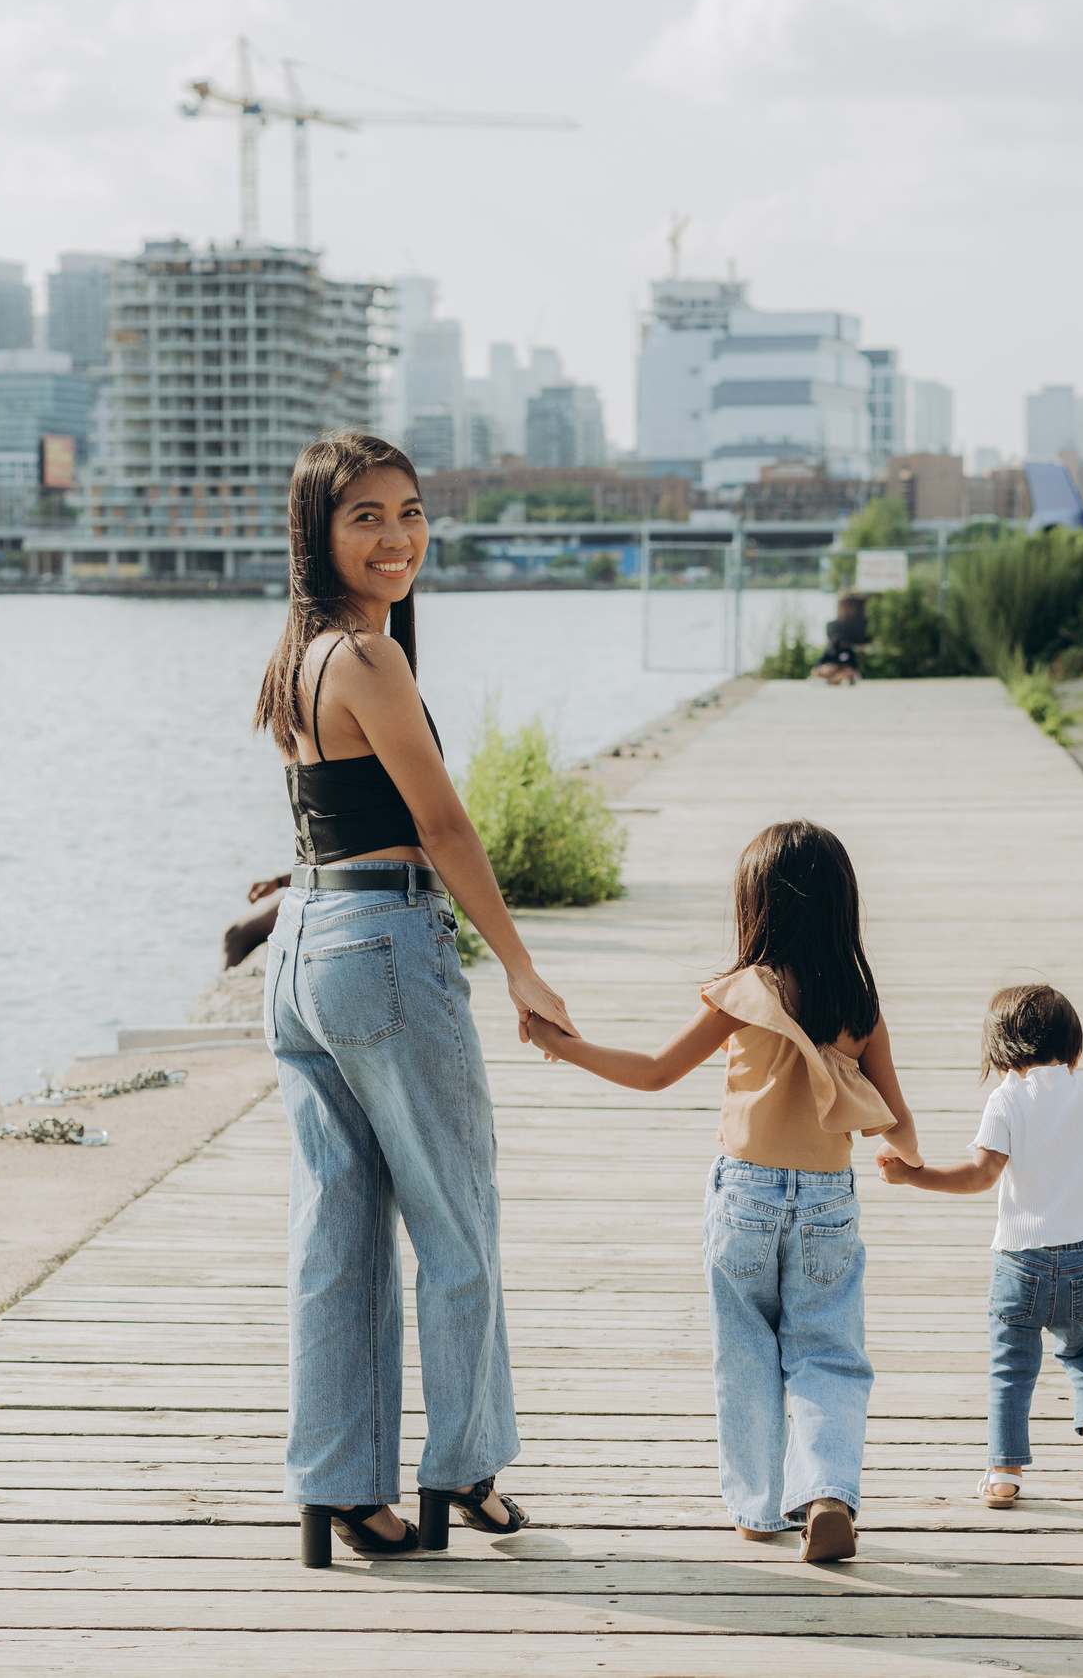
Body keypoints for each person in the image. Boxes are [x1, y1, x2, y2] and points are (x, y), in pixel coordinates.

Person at [254, 431, 579, 1565]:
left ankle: (337, 1488)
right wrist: (522, 966)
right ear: (318, 534)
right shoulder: (370, 660)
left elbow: (329, 806)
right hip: (381, 945)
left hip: (303, 944)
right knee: (455, 1216)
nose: (396, 539)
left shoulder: (296, 654)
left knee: (336, 1233)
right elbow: (440, 826)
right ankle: (465, 1471)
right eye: (365, 519)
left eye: (410, 513)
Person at [525, 820, 920, 1562]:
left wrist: (565, 1045)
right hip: (829, 1198)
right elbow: (896, 1122)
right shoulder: (859, 1004)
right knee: (828, 1351)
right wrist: (909, 1161)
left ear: (757, 906)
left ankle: (757, 1506)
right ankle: (829, 1492)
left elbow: (653, 1070)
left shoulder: (743, 992)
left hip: (745, 1193)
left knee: (744, 1348)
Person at [878, 984, 1083, 1507]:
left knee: (1012, 1366)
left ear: (998, 1056)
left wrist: (912, 1176)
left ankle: (1004, 1474)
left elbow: (979, 1176)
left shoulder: (1006, 1100)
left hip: (1022, 1261)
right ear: (1075, 1049)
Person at [811, 594, 868, 685]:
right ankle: (832, 679)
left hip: (845, 668)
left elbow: (852, 665)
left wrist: (840, 667)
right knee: (818, 671)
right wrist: (829, 668)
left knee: (847, 672)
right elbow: (820, 662)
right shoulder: (832, 628)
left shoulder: (858, 626)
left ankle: (834, 679)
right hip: (835, 667)